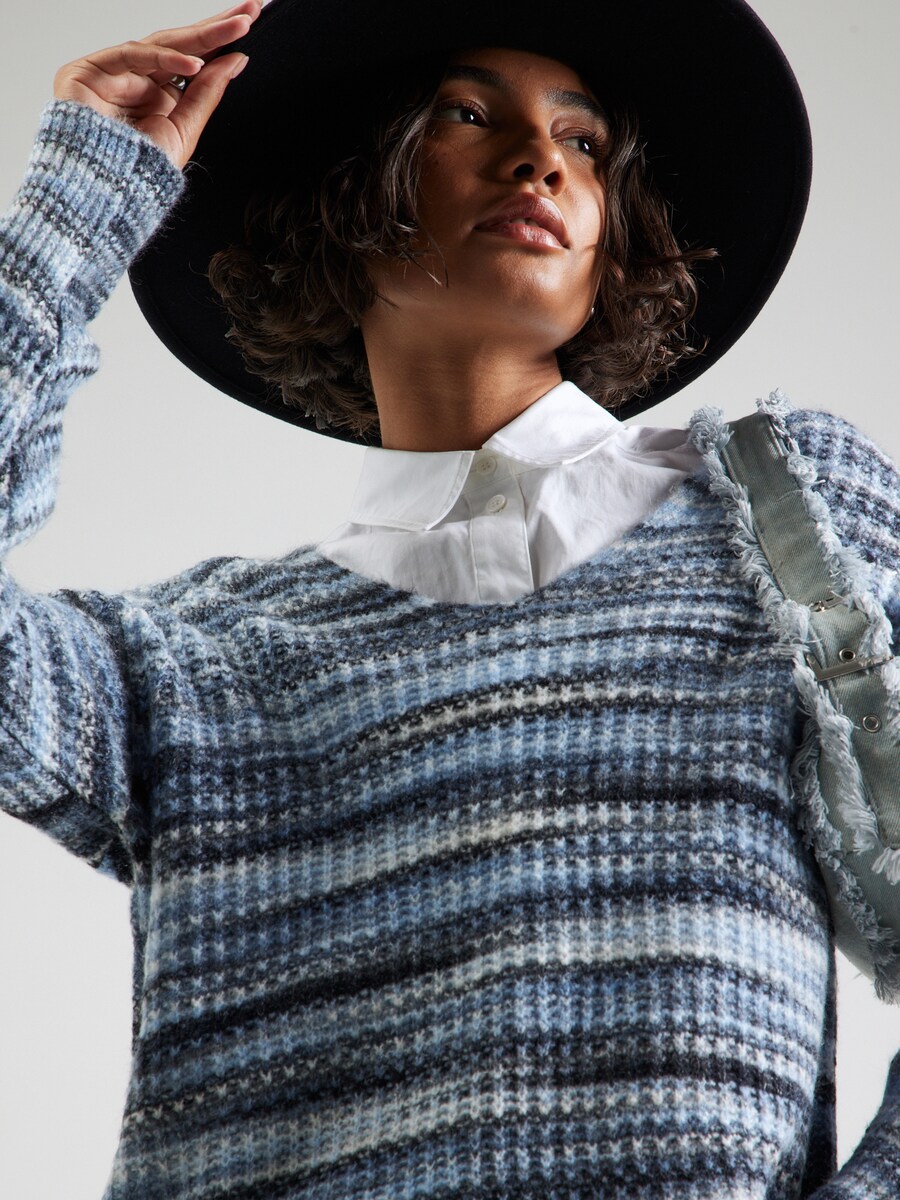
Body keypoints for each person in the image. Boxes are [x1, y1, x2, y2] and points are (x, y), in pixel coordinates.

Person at [1, 0, 898, 1197]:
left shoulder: (784, 524)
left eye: (585, 142)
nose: (541, 160)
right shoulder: (189, 662)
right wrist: (73, 207)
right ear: (343, 200)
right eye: (469, 115)